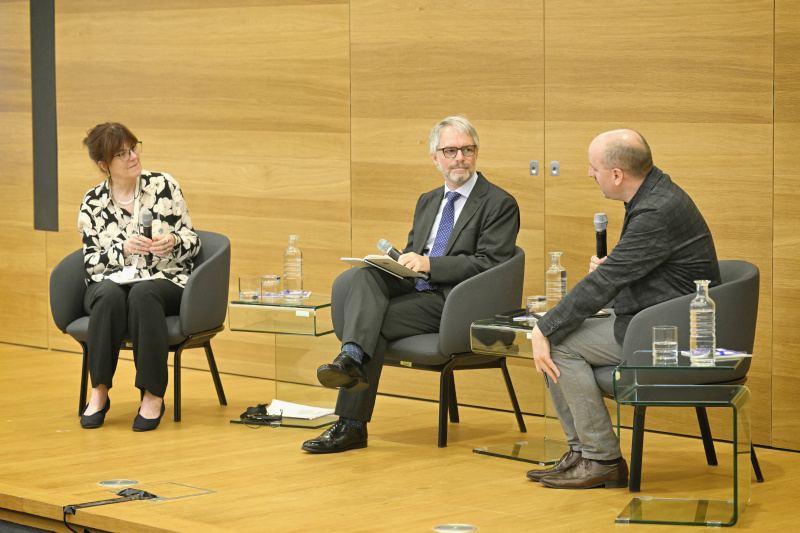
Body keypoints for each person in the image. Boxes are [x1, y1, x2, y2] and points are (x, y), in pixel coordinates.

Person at [302, 116, 520, 453]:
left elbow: (490, 263)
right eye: (450, 151)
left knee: (371, 323)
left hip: (455, 301)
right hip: (417, 288)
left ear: (476, 153)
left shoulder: (498, 203)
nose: (460, 158)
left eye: (467, 150)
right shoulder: (428, 200)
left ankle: (350, 420)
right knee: (365, 275)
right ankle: (351, 360)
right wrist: (400, 262)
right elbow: (418, 250)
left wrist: (431, 264)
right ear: (435, 157)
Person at [527, 129, 720, 489]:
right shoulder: (655, 193)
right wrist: (615, 269)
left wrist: (544, 327)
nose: (589, 174)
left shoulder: (655, 210)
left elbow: (605, 283)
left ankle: (601, 459)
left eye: (594, 167)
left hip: (670, 334)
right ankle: (582, 452)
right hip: (656, 316)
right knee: (558, 333)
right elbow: (635, 271)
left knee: (557, 342)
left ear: (616, 175)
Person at [77, 122, 201, 432]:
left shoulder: (164, 186)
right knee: (108, 296)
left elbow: (194, 241)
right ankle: (99, 392)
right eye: (122, 154)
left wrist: (172, 241)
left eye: (133, 148)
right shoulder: (92, 202)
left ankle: (152, 394)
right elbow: (90, 263)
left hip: (164, 280)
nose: (133, 157)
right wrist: (122, 250)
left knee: (143, 293)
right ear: (104, 165)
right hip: (111, 283)